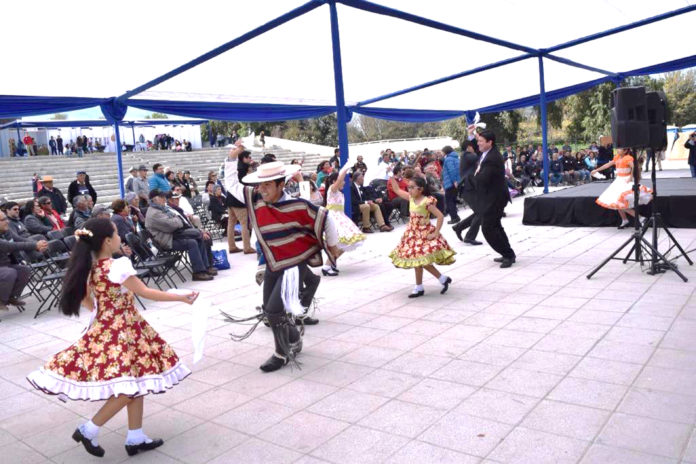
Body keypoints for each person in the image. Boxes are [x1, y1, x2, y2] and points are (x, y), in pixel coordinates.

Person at [26, 218, 197, 458]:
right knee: (128, 387)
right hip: (124, 331)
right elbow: (145, 292)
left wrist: (105, 313)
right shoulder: (117, 266)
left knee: (137, 381)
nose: (120, 237)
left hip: (109, 328)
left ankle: (135, 436)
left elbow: (86, 300)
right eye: (117, 233)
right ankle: (88, 429)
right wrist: (182, 297)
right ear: (107, 241)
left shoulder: (91, 268)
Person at [224, 144, 341, 372]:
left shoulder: (297, 205)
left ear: (281, 184)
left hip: (293, 266)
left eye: (267, 184)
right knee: (270, 310)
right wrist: (231, 158)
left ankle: (282, 352)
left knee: (276, 310)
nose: (262, 189)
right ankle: (295, 338)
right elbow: (231, 185)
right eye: (260, 184)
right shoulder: (254, 198)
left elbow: (326, 217)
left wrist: (333, 246)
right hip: (272, 263)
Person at [388, 176, 454, 298]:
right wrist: (391, 177)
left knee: (421, 260)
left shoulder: (426, 202)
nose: (410, 190)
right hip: (412, 234)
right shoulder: (410, 198)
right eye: (409, 187)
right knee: (417, 261)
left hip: (423, 234)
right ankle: (435, 281)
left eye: (412, 187)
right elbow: (396, 190)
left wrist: (435, 233)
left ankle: (430, 283)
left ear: (421, 189)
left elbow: (440, 216)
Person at [145, 189, 215, 281]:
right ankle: (199, 272)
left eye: (164, 197)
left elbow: (177, 220)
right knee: (194, 240)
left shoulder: (161, 209)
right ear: (154, 199)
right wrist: (176, 220)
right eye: (161, 197)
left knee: (197, 237)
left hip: (172, 235)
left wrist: (175, 220)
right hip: (166, 241)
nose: (164, 199)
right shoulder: (154, 213)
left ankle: (204, 268)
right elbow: (173, 226)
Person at [474, 129, 516, 268]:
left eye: (480, 141)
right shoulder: (487, 153)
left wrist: (474, 176)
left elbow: (484, 178)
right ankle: (508, 253)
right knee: (496, 226)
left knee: (488, 228)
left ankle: (508, 255)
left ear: (489, 142)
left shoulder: (492, 158)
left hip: (495, 198)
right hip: (491, 196)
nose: (478, 143)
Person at [592, 148, 652, 228]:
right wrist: (596, 170)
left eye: (620, 149)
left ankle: (641, 218)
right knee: (616, 200)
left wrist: (631, 177)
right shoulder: (617, 157)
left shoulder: (628, 158)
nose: (618, 150)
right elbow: (608, 165)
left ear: (625, 151)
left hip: (625, 180)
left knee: (620, 201)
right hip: (618, 180)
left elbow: (634, 167)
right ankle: (625, 220)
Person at [322, 166, 366, 276]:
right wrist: (345, 170)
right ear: (334, 181)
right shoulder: (332, 189)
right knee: (338, 243)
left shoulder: (338, 192)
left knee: (344, 243)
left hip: (340, 217)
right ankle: (327, 265)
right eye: (342, 181)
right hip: (333, 219)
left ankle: (331, 264)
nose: (344, 183)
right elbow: (339, 181)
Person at [452, 140, 483, 245]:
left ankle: (458, 227)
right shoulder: (466, 155)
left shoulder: (466, 155)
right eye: (475, 146)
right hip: (468, 189)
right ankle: (469, 236)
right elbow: (477, 156)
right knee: (480, 213)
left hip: (470, 188)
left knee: (479, 212)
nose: (477, 148)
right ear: (469, 147)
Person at [225, 150, 255, 254]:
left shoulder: (238, 166)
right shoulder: (243, 169)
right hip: (238, 199)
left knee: (231, 224)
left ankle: (232, 246)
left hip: (230, 198)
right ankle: (247, 247)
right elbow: (245, 184)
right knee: (244, 224)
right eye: (248, 157)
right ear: (244, 158)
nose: (250, 159)